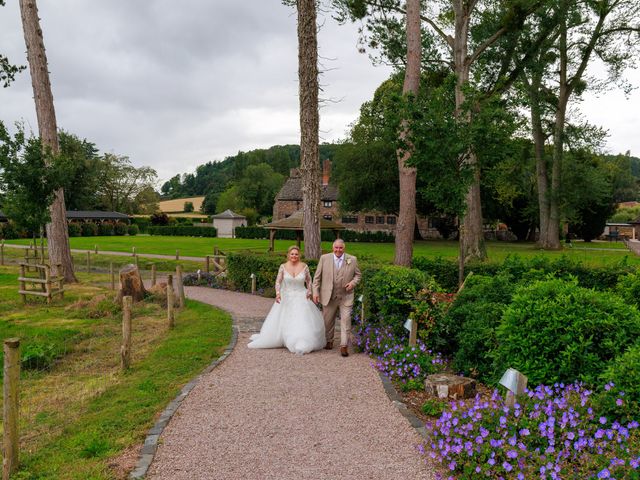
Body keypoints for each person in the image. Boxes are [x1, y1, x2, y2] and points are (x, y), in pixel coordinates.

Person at [248, 246, 325, 355]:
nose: (294, 256)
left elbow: (309, 280)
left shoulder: (304, 266)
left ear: (299, 255)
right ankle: (282, 337)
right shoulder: (283, 267)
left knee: (301, 319)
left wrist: (309, 291)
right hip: (286, 297)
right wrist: (278, 294)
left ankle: (301, 341)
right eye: (292, 254)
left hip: (301, 297)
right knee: (284, 318)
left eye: (296, 254)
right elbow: (278, 282)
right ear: (288, 255)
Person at [312, 239, 361, 357]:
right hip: (328, 296)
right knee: (327, 321)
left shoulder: (352, 259)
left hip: (346, 296)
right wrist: (315, 292)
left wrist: (352, 283)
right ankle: (329, 341)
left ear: (344, 248)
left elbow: (358, 275)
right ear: (332, 248)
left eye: (341, 248)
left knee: (346, 320)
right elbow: (317, 278)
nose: (338, 250)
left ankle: (344, 346)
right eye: (336, 248)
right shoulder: (324, 258)